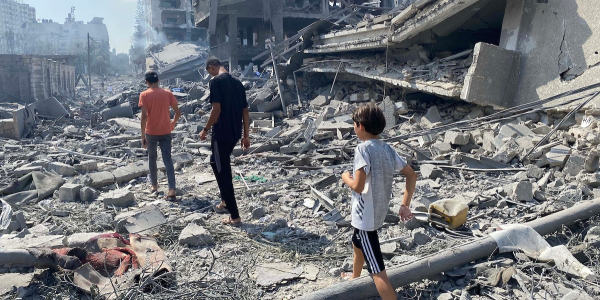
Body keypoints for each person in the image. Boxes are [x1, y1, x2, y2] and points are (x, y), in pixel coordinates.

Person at [341, 103, 417, 300]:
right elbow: (411, 175)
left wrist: (345, 178)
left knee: (377, 271)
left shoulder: (362, 149)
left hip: (366, 218)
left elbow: (357, 186)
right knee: (357, 244)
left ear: (361, 126)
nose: (354, 129)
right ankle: (355, 278)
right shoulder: (387, 149)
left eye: (354, 125)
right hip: (374, 214)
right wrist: (405, 204)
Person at [199, 57, 250, 226]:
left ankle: (234, 216)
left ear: (212, 68)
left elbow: (216, 109)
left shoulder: (216, 82)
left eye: (209, 72)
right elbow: (245, 112)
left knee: (223, 171)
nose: (210, 75)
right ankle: (225, 200)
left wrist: (205, 129)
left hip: (221, 133)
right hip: (235, 133)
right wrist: (246, 135)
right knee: (216, 162)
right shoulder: (238, 83)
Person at [139, 71, 181, 200]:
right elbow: (178, 112)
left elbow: (144, 116)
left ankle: (154, 186)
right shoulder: (168, 93)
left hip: (151, 132)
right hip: (165, 131)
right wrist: (172, 123)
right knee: (167, 159)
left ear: (147, 82)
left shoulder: (144, 95)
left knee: (152, 158)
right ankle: (172, 188)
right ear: (159, 80)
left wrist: (142, 136)